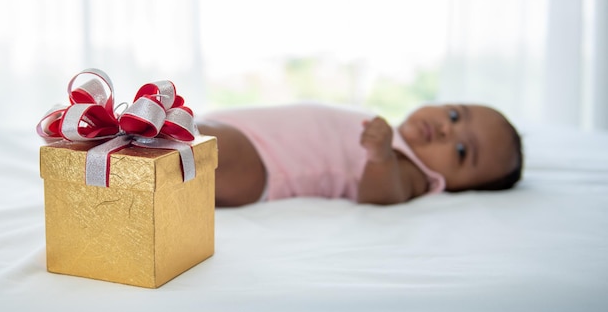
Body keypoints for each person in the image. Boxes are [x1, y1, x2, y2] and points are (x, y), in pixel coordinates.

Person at [196, 102, 523, 207]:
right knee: (189, 130)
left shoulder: (415, 173)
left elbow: (383, 197)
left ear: (457, 186)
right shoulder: (391, 128)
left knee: (204, 149)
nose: (445, 130)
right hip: (251, 129)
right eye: (454, 115)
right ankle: (147, 136)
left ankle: (148, 143)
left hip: (267, 164)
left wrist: (381, 157)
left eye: (462, 151)